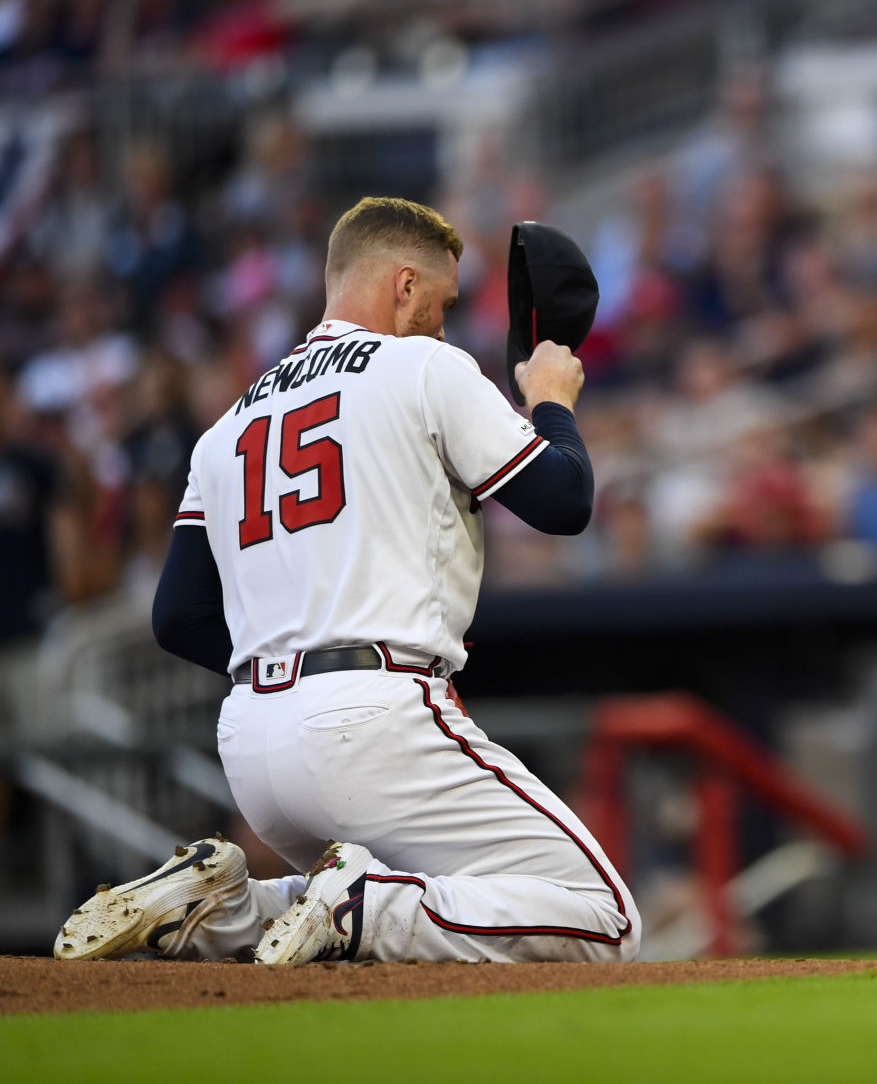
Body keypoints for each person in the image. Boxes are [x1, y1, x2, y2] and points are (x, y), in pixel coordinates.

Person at [54, 197, 640, 965]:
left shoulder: (228, 424)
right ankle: (362, 906)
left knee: (435, 890)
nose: (444, 320)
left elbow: (178, 617)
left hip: (253, 740)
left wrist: (290, 660)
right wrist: (552, 402)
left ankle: (229, 906)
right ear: (403, 285)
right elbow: (563, 501)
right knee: (606, 917)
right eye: (443, 300)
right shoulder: (423, 366)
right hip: (376, 709)